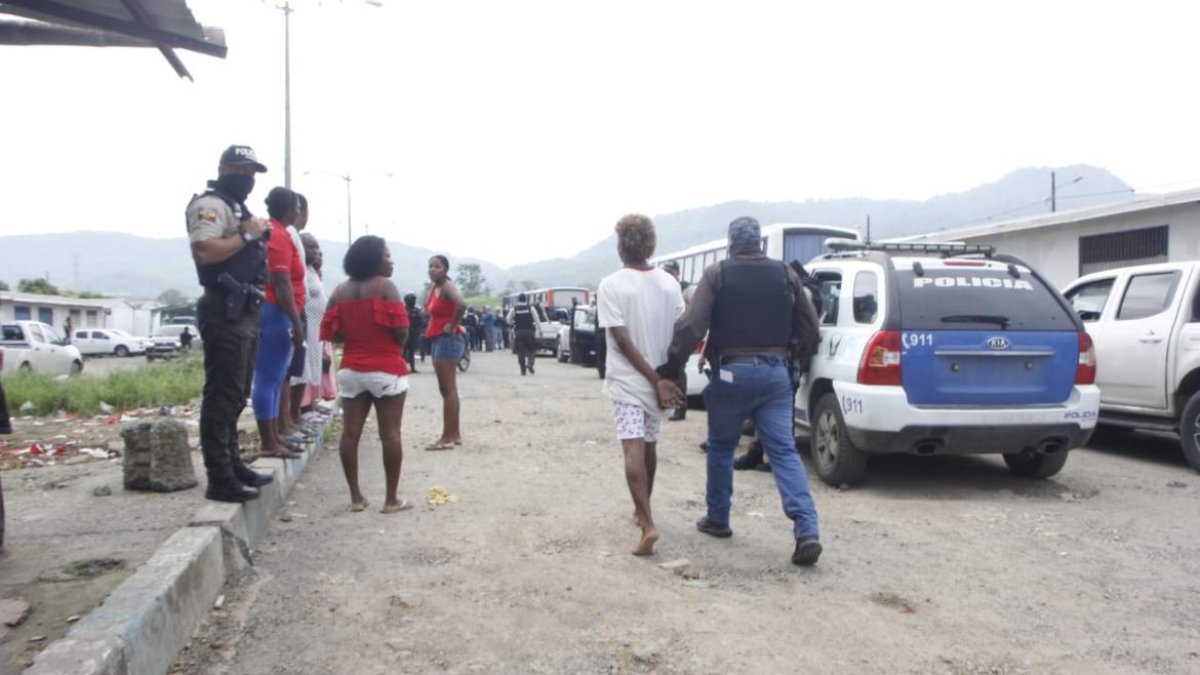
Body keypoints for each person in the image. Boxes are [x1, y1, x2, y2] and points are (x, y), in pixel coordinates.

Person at [657, 216, 824, 567]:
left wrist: (671, 368)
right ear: (758, 243)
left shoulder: (718, 274)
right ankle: (806, 530)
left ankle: (718, 518)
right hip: (777, 376)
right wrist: (795, 355)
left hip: (732, 373)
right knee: (783, 451)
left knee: (721, 446)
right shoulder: (786, 273)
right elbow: (809, 326)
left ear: (731, 243)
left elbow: (692, 325)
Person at [186, 144, 273, 503]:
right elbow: (205, 251)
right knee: (222, 394)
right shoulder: (211, 205)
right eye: (241, 171)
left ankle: (234, 465)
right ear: (223, 169)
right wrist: (248, 235)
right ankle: (219, 476)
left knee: (237, 393)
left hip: (244, 308)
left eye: (251, 173)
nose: (247, 179)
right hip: (224, 308)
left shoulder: (238, 207)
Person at [597, 214, 685, 557]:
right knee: (649, 447)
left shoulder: (611, 284)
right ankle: (642, 510)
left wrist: (654, 379)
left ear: (621, 245)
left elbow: (620, 339)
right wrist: (668, 377)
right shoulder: (669, 283)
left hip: (628, 382)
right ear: (651, 244)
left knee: (632, 449)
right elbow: (682, 332)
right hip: (658, 383)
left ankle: (647, 523)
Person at [320, 235, 412, 513]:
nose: (390, 260)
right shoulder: (386, 287)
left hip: (350, 370)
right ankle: (391, 500)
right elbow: (402, 330)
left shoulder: (338, 291)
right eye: (386, 255)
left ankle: (356, 498)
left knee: (350, 435)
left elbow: (331, 331)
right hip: (385, 369)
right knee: (391, 435)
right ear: (374, 259)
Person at [250, 187, 306, 460]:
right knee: (269, 377)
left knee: (275, 377)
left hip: (278, 311)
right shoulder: (279, 236)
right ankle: (269, 441)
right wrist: (296, 323)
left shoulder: (277, 232)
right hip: (275, 312)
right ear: (288, 209)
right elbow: (282, 282)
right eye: (297, 207)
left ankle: (274, 437)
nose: (299, 212)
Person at [423, 255, 467, 450]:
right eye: (431, 266)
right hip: (439, 338)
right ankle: (454, 433)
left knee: (447, 389)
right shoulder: (436, 288)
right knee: (449, 390)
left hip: (447, 339)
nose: (433, 269)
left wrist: (452, 325)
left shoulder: (447, 287)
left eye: (437, 267)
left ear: (446, 270)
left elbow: (461, 304)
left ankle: (447, 437)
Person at [291, 232, 327, 423]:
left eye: (316, 247)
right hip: (305, 326)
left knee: (311, 369)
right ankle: (297, 411)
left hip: (315, 329)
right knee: (300, 371)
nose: (315, 251)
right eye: (310, 246)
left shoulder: (311, 270)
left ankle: (308, 407)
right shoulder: (299, 269)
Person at [660, 260, 689, 422]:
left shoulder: (684, 290)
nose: (668, 275)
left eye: (670, 272)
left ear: (677, 273)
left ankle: (680, 408)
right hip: (667, 335)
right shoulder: (664, 289)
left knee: (679, 371)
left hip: (680, 336)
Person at [507, 293, 538, 376]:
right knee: (532, 350)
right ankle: (530, 364)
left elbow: (508, 320)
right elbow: (536, 319)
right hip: (530, 332)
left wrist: (513, 323)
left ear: (518, 300)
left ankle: (523, 370)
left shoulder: (515, 309)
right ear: (526, 300)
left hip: (519, 333)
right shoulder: (530, 308)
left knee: (521, 353)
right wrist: (540, 330)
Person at [403, 293, 425, 373]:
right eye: (412, 300)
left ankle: (412, 368)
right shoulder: (403, 310)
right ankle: (403, 367)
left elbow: (421, 321)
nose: (413, 301)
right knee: (403, 351)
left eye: (414, 300)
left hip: (413, 334)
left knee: (412, 351)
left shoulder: (416, 311)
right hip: (404, 334)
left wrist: (418, 330)